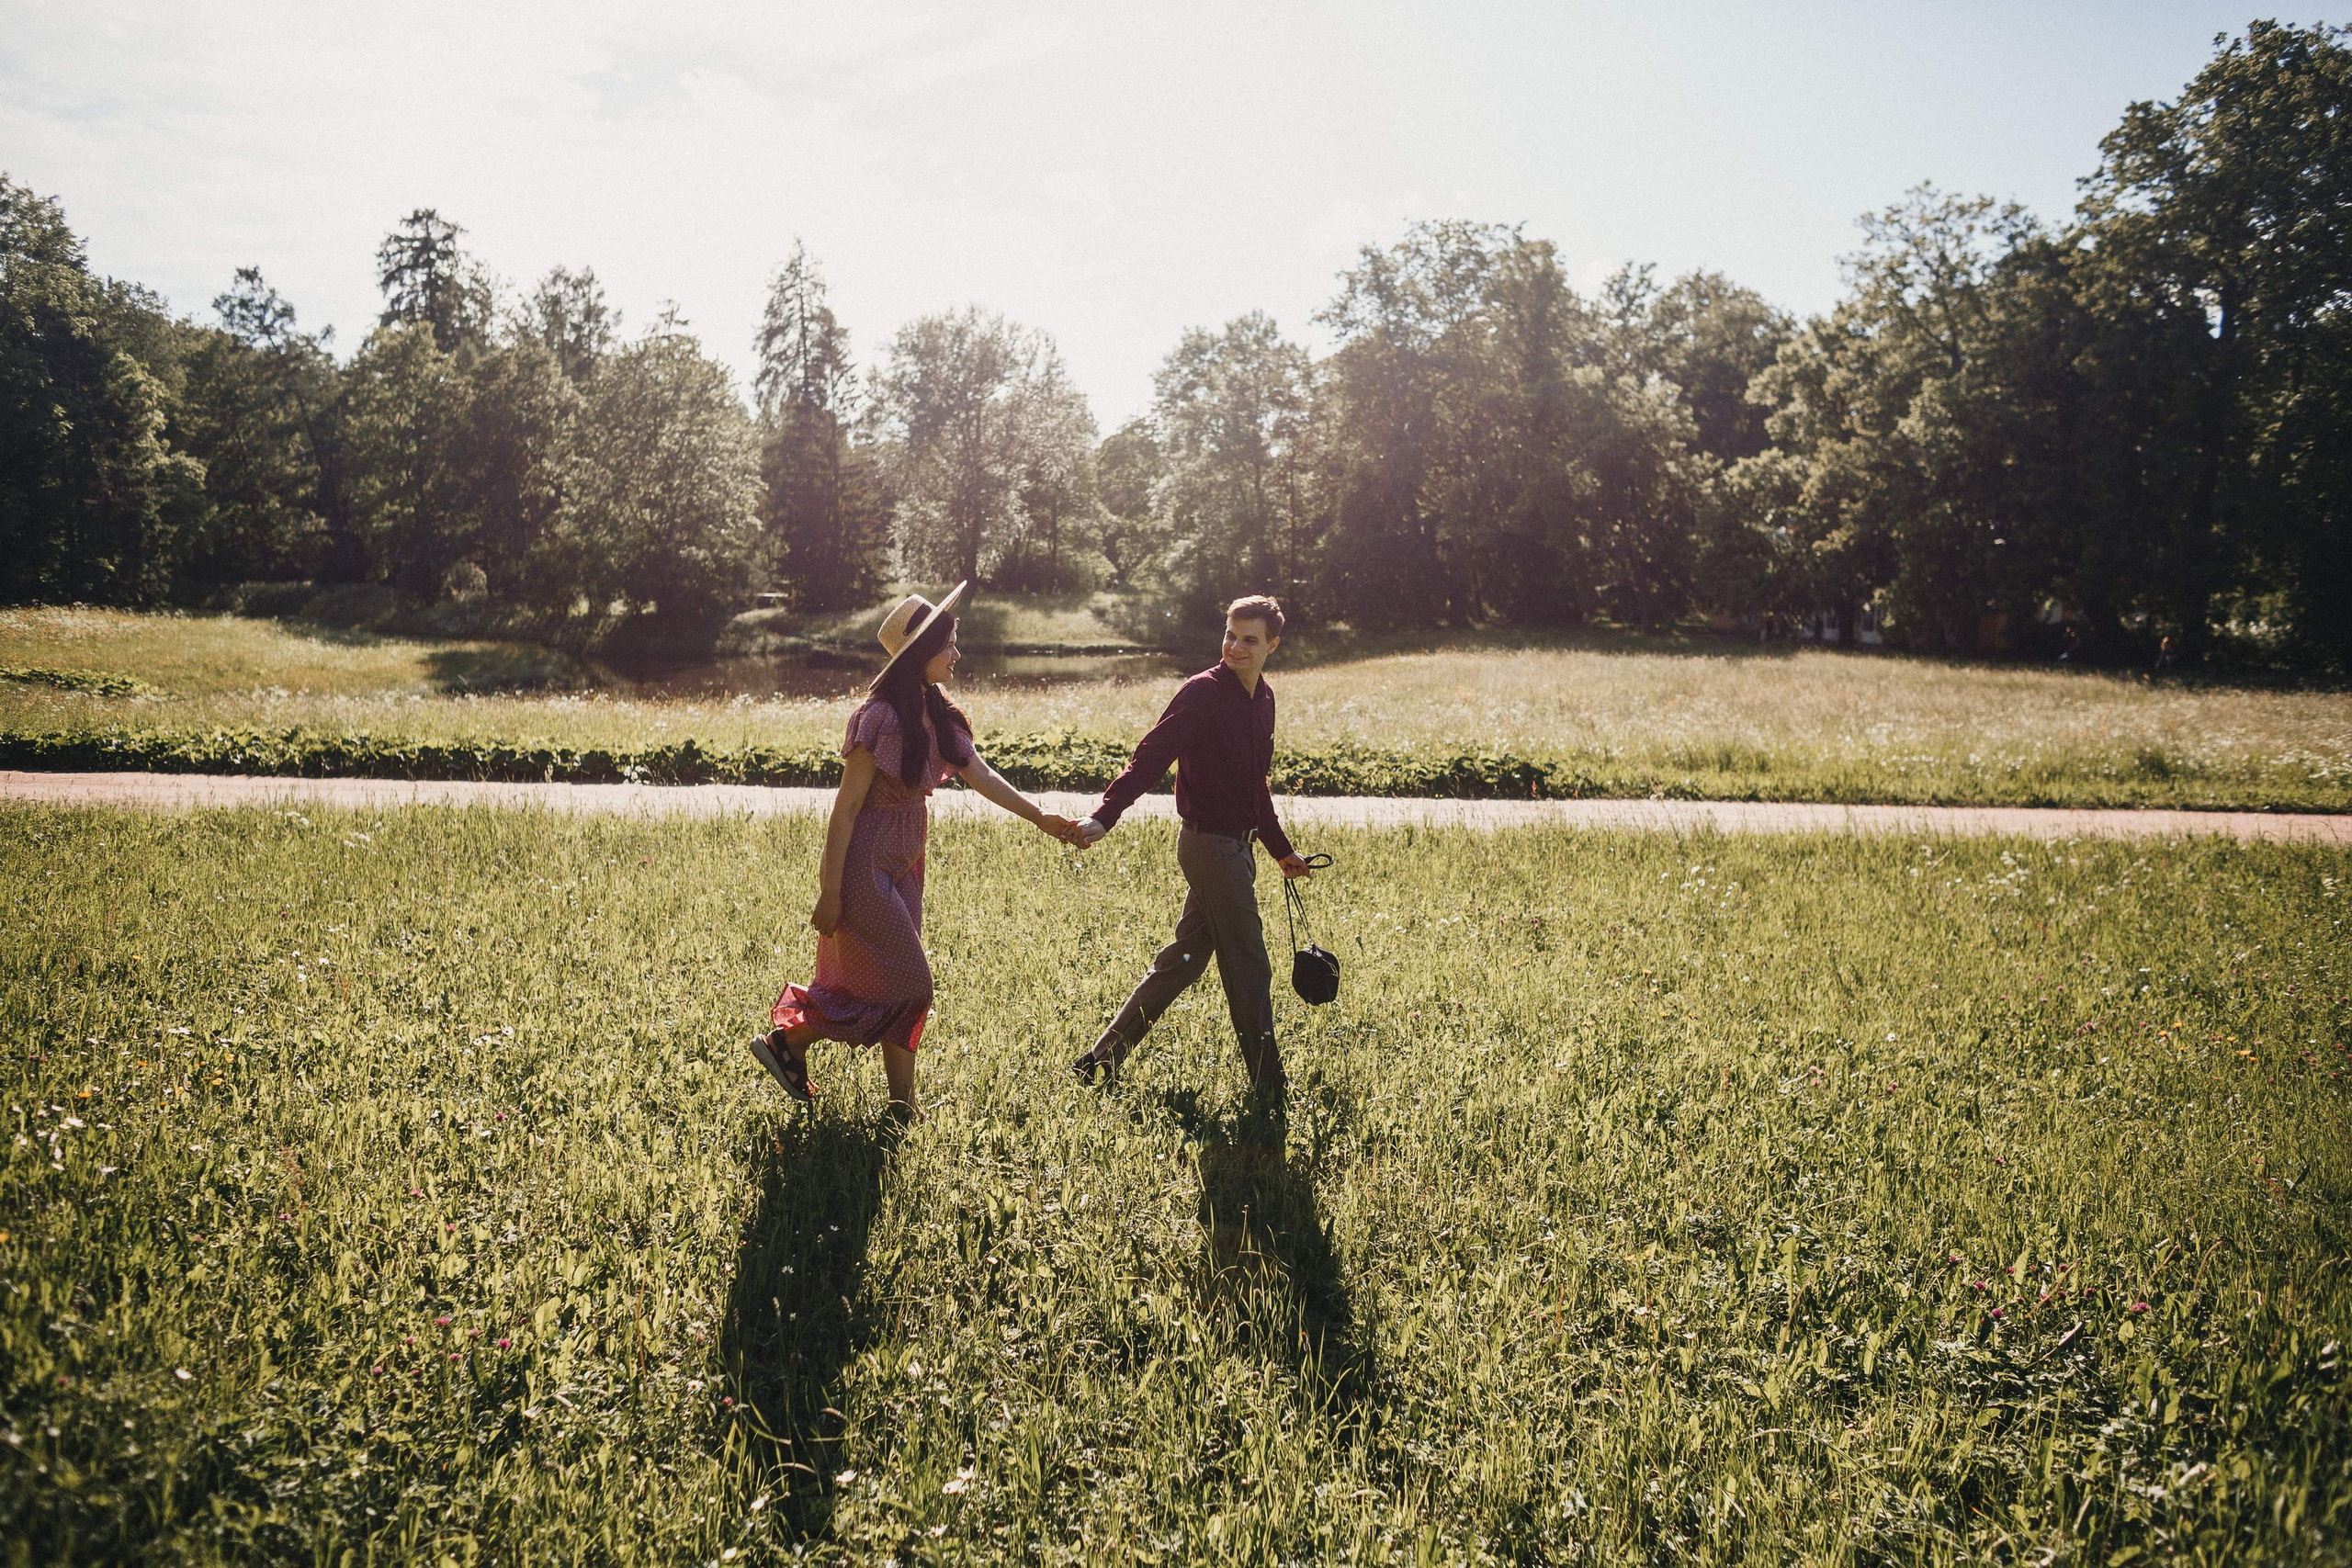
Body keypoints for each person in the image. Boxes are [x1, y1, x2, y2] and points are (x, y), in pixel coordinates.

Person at [750, 583, 1075, 1122]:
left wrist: (1042, 818)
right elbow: (845, 812)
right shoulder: (876, 718)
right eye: (949, 644)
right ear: (921, 651)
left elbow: (983, 776)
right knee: (912, 984)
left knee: (889, 983)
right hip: (863, 869)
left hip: (906, 867)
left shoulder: (940, 714)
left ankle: (898, 1108)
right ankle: (794, 1039)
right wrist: (829, 893)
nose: (956, 654)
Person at [1066, 595, 1313, 1103]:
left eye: (1249, 639)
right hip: (1208, 847)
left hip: (1236, 849)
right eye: (1230, 634)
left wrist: (1279, 850)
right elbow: (1150, 757)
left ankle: (1099, 1061)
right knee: (1249, 960)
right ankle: (1269, 1084)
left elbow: (1255, 786)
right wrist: (1105, 815)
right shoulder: (1201, 693)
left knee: (1181, 961)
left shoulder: (1263, 700)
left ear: (1273, 645)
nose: (1236, 646)